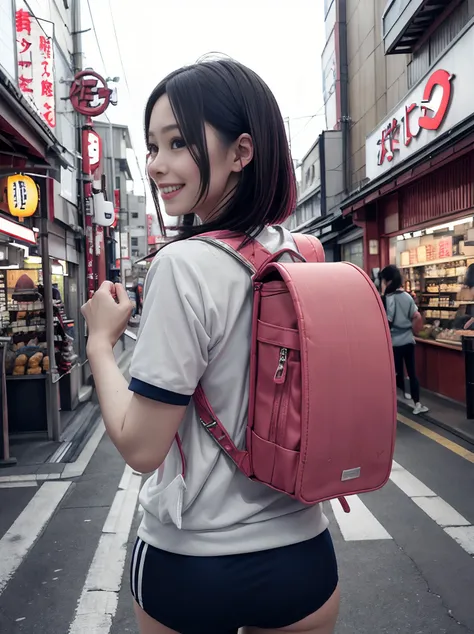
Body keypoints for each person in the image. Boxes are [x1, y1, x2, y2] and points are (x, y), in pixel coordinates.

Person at [81, 57, 339, 634]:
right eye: (152, 146)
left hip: (191, 563)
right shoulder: (302, 252)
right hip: (303, 555)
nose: (157, 165)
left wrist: (101, 343)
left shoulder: (183, 265)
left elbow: (142, 448)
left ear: (242, 152)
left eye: (178, 143)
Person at [380, 265, 428, 415]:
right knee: (412, 372)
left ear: (386, 281)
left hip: (393, 342)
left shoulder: (388, 298)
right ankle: (417, 403)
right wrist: (412, 329)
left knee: (396, 372)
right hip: (408, 340)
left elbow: (388, 320)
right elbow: (417, 316)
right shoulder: (407, 297)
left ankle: (397, 397)